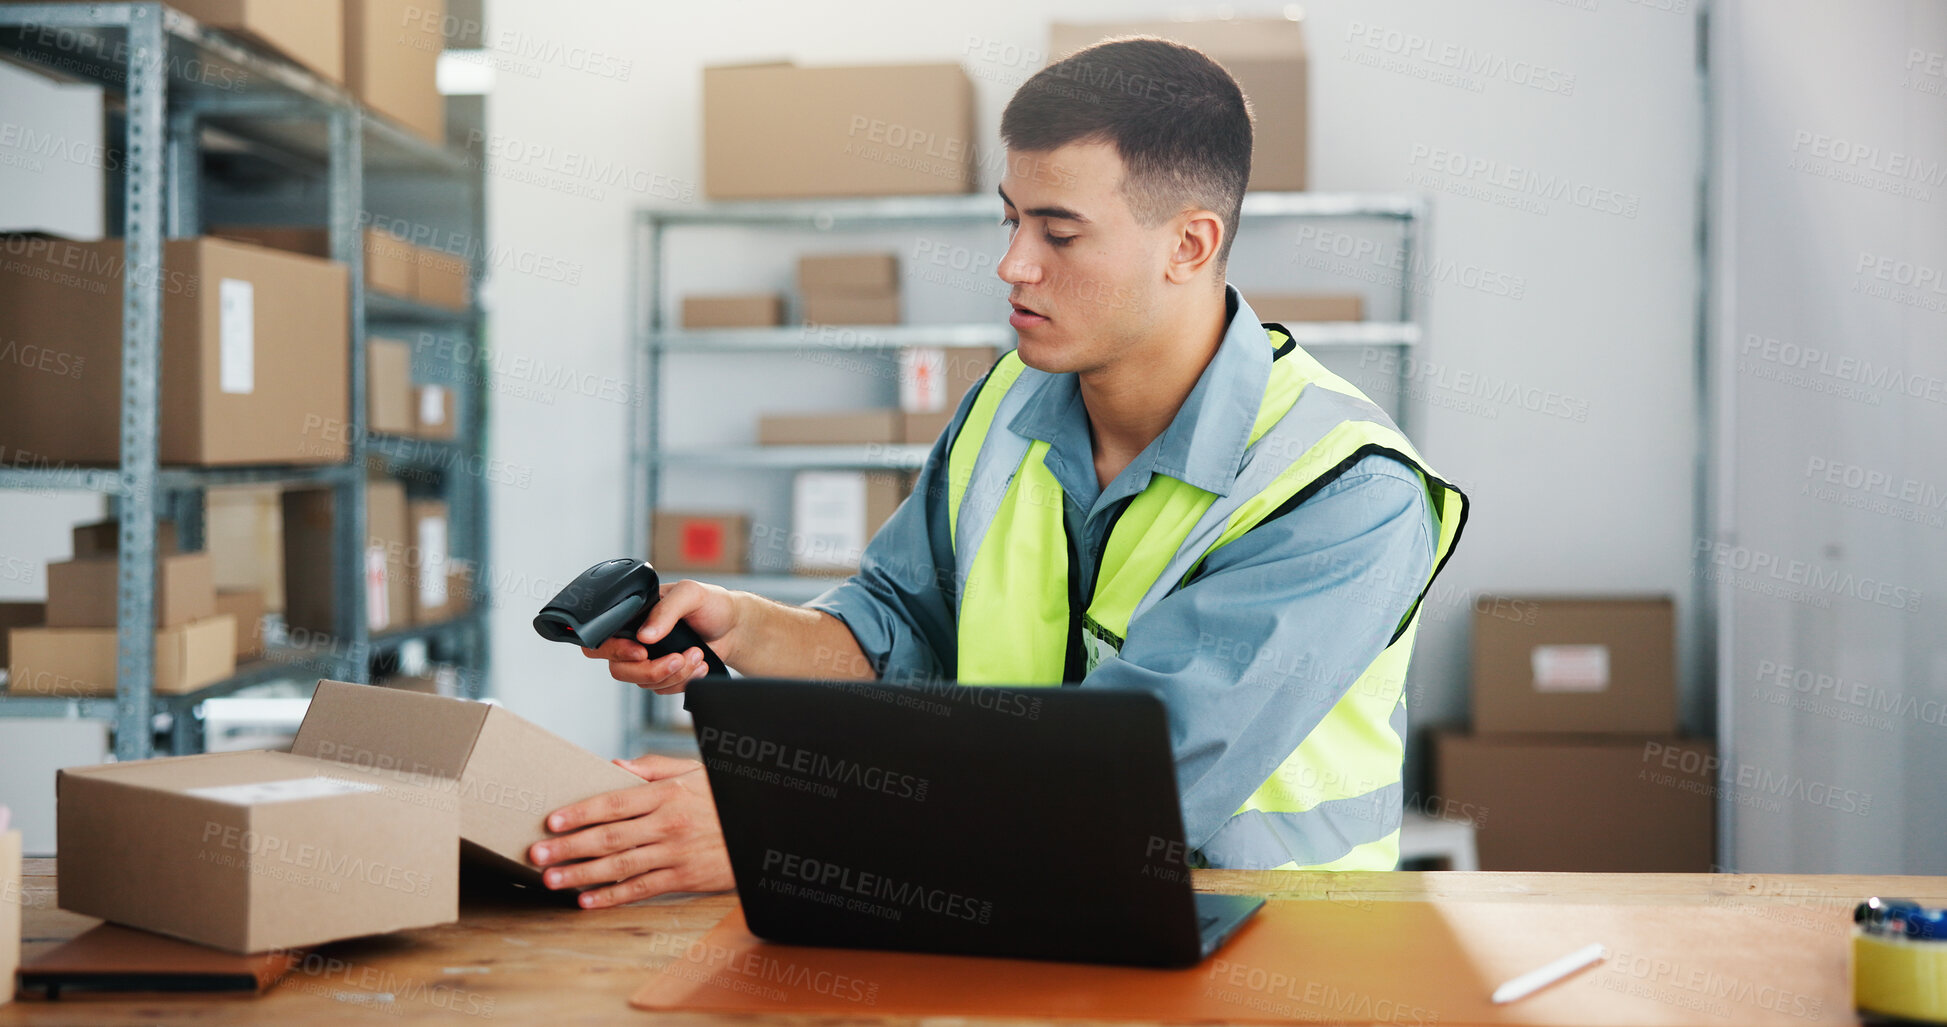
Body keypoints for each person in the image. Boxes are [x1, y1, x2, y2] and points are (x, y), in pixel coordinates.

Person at [531, 36, 1468, 909]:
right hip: (1001, 914)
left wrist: (776, 822)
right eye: (1011, 218)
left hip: (1261, 957)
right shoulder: (1005, 408)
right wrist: (750, 629)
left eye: (1058, 234)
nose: (1011, 263)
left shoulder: (1344, 490)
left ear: (1190, 244)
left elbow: (1130, 789)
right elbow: (904, 629)